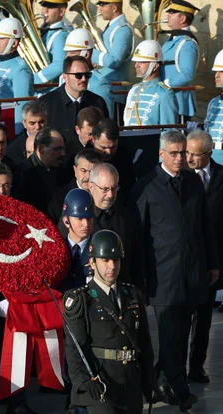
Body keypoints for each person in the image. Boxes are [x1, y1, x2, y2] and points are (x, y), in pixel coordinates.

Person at [129, 131, 218, 411]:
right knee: (169, 334)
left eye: (184, 153)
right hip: (163, 275)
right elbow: (137, 238)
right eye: (176, 153)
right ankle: (180, 390)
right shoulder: (146, 187)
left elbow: (205, 226)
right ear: (162, 154)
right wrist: (139, 277)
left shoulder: (193, 182)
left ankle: (157, 380)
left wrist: (213, 263)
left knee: (181, 331)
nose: (182, 158)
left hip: (193, 272)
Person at [63, 229, 158, 414]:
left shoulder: (132, 295)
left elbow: (144, 344)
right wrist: (84, 381)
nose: (111, 266)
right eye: (105, 260)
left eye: (115, 260)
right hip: (100, 385)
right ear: (92, 262)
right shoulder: (81, 299)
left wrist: (149, 381)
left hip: (130, 385)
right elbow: (75, 348)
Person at [185, 130, 223, 383]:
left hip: (212, 260)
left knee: (204, 318)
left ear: (208, 154)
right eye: (186, 152)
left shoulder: (221, 176)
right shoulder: (180, 177)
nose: (189, 159)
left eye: (195, 155)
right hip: (186, 259)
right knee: (180, 318)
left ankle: (196, 366)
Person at [38, 56, 109, 142]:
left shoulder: (98, 102)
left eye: (87, 75)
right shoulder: (46, 103)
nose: (84, 79)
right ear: (65, 76)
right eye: (78, 75)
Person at [0, 18, 33, 131]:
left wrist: (17, 132)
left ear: (14, 42)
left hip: (5, 123)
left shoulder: (20, 68)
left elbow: (21, 105)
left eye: (2, 38)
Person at [91, 0, 133, 112]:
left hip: (114, 92)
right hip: (101, 87)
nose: (99, 9)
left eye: (103, 5)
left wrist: (90, 53)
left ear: (114, 8)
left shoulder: (122, 29)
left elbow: (114, 61)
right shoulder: (111, 27)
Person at [160, 0, 199, 121]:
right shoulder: (173, 39)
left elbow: (187, 74)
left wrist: (164, 84)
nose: (167, 15)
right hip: (167, 98)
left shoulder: (187, 43)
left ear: (182, 18)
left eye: (172, 13)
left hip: (179, 102)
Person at [123, 40, 177, 127]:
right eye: (136, 62)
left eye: (141, 62)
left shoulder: (165, 94)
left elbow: (168, 132)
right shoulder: (134, 90)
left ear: (155, 66)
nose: (136, 65)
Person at [18, 127, 67, 216]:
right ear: (41, 149)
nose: (63, 153)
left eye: (63, 148)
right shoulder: (22, 174)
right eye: (57, 149)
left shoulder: (62, 171)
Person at [49, 148, 102, 222]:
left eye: (92, 172)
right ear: (75, 170)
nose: (88, 176)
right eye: (83, 170)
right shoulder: (60, 198)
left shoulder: (107, 195)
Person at [57, 188, 93, 291]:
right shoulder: (57, 250)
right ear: (66, 221)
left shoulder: (98, 249)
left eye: (89, 218)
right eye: (80, 219)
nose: (86, 224)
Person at [35, 0, 72, 85]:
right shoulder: (46, 29)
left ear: (61, 11)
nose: (44, 11)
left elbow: (60, 65)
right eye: (44, 7)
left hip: (49, 89)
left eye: (50, 8)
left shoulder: (61, 35)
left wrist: (33, 79)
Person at [6, 100, 47, 166]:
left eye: (41, 122)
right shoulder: (13, 149)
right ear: (24, 123)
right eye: (32, 123)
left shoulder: (57, 140)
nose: (37, 127)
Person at [204, 49, 223, 151]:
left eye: (221, 71)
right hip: (211, 158)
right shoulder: (213, 102)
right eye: (216, 71)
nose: (216, 75)